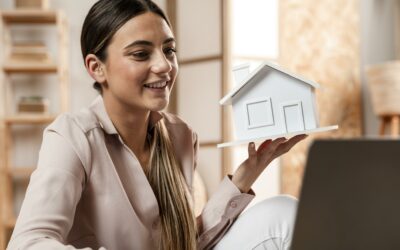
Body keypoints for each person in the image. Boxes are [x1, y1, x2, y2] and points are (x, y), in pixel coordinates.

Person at [7, 0, 307, 249]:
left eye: (169, 50)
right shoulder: (72, 136)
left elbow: (187, 242)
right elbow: (29, 243)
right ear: (96, 68)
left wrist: (245, 175)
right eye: (141, 53)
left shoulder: (181, 135)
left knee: (283, 213)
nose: (164, 65)